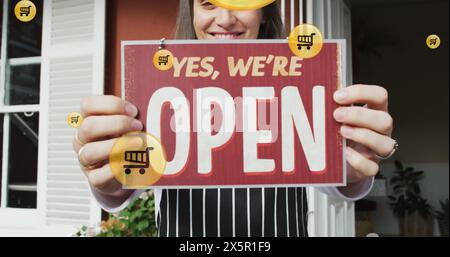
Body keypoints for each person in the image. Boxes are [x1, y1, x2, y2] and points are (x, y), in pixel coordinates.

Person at [72, 0, 396, 237]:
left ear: (265, 10)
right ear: (192, 12)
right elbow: (120, 189)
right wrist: (108, 179)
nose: (225, 19)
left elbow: (336, 181)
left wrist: (350, 169)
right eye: (209, 4)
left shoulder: (301, 80)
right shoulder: (156, 82)